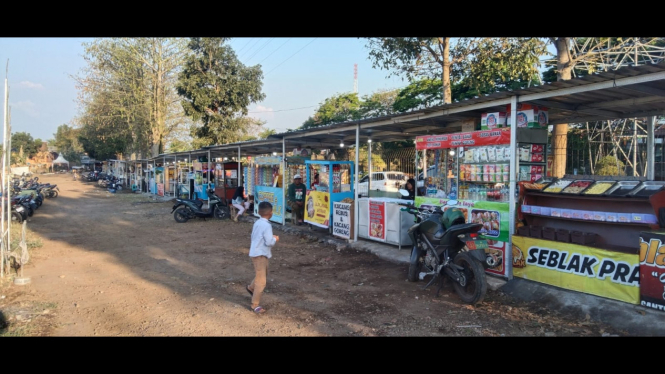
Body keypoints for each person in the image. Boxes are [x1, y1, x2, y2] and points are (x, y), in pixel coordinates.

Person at [246, 201, 279, 315]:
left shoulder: (258, 222)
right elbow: (269, 242)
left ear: (259, 212)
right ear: (271, 213)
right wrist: (275, 239)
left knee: (262, 274)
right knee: (262, 281)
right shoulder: (267, 225)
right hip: (260, 254)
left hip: (258, 252)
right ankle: (255, 304)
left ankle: (251, 287)